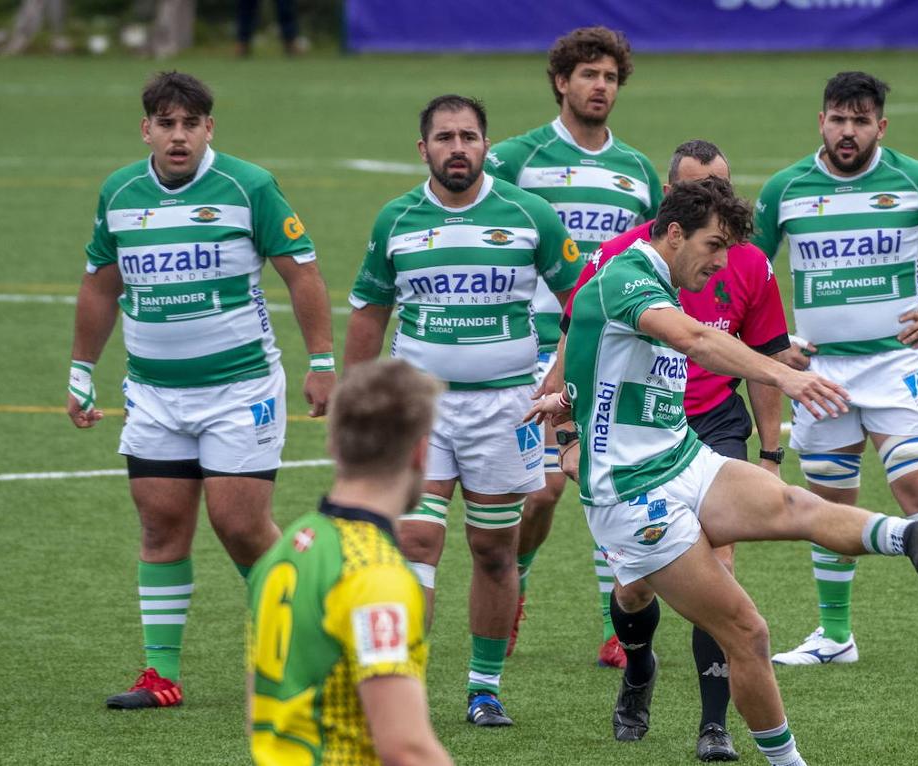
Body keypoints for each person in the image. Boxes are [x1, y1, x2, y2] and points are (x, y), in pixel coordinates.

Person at [528, 177, 918, 766]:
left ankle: (911, 537)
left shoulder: (662, 277)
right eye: (714, 246)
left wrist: (568, 408)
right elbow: (690, 341)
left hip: (681, 456)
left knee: (796, 505)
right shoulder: (625, 276)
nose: (721, 262)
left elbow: (595, 362)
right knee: (749, 632)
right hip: (632, 496)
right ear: (675, 233)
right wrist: (783, 376)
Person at [68, 70, 336, 710]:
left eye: (191, 123)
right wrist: (82, 366)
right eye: (166, 123)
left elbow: (302, 276)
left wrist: (321, 360)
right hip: (155, 394)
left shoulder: (250, 186)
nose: (178, 135)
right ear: (147, 129)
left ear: (209, 128)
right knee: (161, 527)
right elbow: (101, 284)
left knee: (239, 523)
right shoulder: (120, 192)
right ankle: (160, 676)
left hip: (240, 390)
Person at [344, 94, 582, 727]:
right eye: (444, 137)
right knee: (416, 540)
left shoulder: (530, 215)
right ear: (423, 149)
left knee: (493, 551)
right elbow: (369, 310)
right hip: (417, 409)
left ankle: (484, 687)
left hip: (506, 408)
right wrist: (358, 399)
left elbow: (582, 300)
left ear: (485, 146)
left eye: (469, 137)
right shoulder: (395, 218)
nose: (458, 148)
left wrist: (556, 380)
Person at [751, 71, 918, 670]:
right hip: (820, 374)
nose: (848, 131)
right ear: (821, 121)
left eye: (861, 121)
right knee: (829, 503)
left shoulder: (917, 179)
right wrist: (770, 343)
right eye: (838, 118)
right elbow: (747, 270)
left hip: (896, 364)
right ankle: (834, 636)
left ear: (880, 127)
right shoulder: (785, 189)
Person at [562, 139, 797, 761]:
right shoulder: (620, 259)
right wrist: (567, 433)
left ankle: (715, 724)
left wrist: (769, 454)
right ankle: (639, 666)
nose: (716, 202)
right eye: (701, 189)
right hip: (632, 438)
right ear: (671, 202)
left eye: (723, 186)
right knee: (635, 589)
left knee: (719, 575)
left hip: (713, 425)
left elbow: (766, 353)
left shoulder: (746, 261)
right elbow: (576, 339)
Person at [484, 25, 662, 667]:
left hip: (617, 351)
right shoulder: (513, 159)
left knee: (607, 479)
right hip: (537, 345)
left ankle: (617, 626)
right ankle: (514, 590)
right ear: (561, 81)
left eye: (610, 77)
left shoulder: (639, 170)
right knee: (543, 491)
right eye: (588, 74)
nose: (600, 86)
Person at [247, 359, 452, 766]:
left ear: (333, 443)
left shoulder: (289, 544)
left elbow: (258, 706)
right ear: (420, 452)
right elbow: (405, 748)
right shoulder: (376, 575)